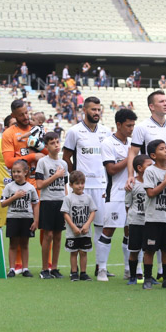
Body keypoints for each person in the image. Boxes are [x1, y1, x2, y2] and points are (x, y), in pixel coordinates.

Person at [62, 97, 111, 277]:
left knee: (100, 226)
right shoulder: (74, 132)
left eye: (99, 109)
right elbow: (66, 157)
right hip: (82, 188)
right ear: (85, 110)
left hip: (102, 185)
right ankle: (78, 270)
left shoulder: (106, 132)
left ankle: (100, 267)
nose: (96, 113)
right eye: (93, 110)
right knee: (79, 227)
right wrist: (75, 180)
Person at [96, 108, 137, 280]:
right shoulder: (108, 143)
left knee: (130, 231)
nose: (131, 129)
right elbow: (111, 170)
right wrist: (130, 158)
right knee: (109, 229)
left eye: (133, 125)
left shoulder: (132, 143)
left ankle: (128, 269)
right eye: (128, 125)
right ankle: (102, 269)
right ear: (118, 124)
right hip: (115, 193)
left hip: (132, 193)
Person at [141, 139, 166, 290]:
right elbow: (150, 193)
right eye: (162, 149)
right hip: (153, 217)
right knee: (150, 249)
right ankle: (148, 278)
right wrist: (165, 182)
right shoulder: (150, 171)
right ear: (153, 155)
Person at [35, 132, 68, 279]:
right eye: (52, 143)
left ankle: (54, 267)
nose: (56, 145)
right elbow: (40, 184)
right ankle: (44, 268)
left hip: (61, 202)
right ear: (47, 146)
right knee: (47, 235)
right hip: (48, 201)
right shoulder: (43, 162)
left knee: (58, 235)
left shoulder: (64, 164)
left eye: (57, 142)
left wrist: (67, 201)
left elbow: (65, 185)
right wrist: (55, 175)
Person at [1, 159, 40, 278]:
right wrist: (15, 197)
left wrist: (36, 220)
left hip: (26, 218)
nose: (16, 174)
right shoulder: (9, 187)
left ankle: (25, 268)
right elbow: (2, 203)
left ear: (26, 172)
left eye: (18, 171)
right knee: (13, 244)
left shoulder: (30, 187)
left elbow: (36, 203)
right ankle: (12, 268)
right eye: (14, 172)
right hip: (13, 218)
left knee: (25, 244)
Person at [61, 171, 97, 282]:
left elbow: (93, 212)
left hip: (85, 232)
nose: (80, 186)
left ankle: (83, 272)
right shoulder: (68, 198)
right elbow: (65, 213)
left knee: (83, 252)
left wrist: (87, 225)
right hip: (73, 232)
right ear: (71, 185)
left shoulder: (88, 198)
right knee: (74, 252)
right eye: (77, 183)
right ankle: (74, 272)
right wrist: (73, 227)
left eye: (82, 183)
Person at [125, 155, 151, 285]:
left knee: (149, 250)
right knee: (134, 250)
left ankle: (148, 276)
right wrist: (131, 219)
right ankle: (132, 276)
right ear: (140, 168)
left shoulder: (153, 183)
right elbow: (127, 204)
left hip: (150, 222)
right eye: (149, 166)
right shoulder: (132, 184)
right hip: (136, 222)